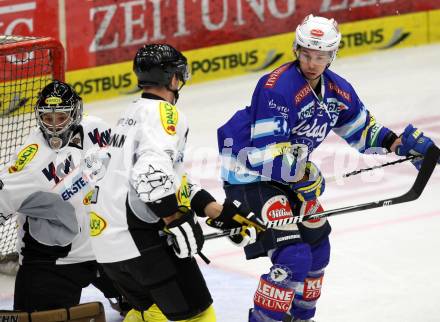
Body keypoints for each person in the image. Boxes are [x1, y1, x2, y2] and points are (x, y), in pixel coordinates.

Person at [212, 14, 439, 322]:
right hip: (249, 177)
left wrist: (397, 144)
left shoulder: (337, 91)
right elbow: (266, 154)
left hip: (288, 178)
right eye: (306, 53)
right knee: (293, 257)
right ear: (296, 49)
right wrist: (305, 174)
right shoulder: (277, 87)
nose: (312, 63)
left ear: (333, 55)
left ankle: (302, 318)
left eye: (321, 56)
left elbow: (363, 131)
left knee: (318, 250)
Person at [85, 43, 256, 322]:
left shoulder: (132, 113)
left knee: (151, 313)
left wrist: (213, 209)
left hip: (109, 250)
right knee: (198, 315)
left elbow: (167, 178)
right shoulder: (165, 115)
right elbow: (151, 174)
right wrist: (174, 218)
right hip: (142, 245)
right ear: (173, 79)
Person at [0, 80, 128, 316]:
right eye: (48, 119)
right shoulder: (31, 163)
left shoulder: (96, 128)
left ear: (76, 113)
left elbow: (124, 169)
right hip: (54, 263)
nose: (55, 126)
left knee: (156, 304)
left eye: (62, 117)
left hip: (106, 246)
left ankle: (121, 294)